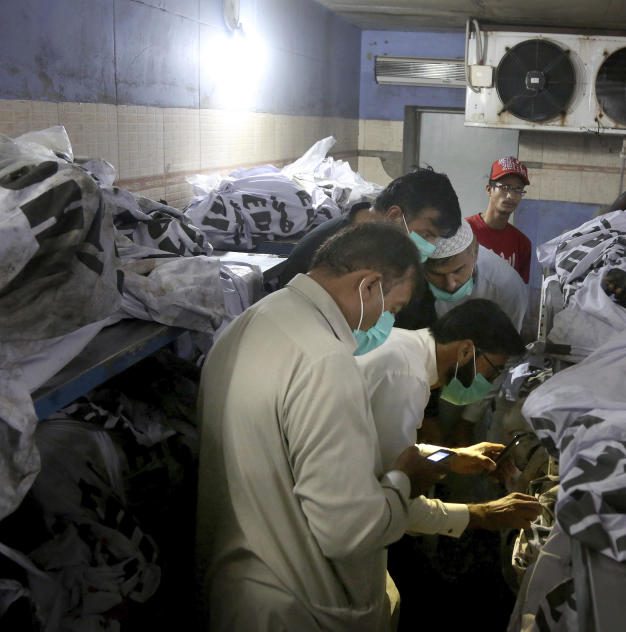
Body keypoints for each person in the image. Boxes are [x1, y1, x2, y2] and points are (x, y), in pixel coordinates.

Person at [196, 223, 449, 631]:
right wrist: (405, 479)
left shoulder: (249, 322)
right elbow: (347, 531)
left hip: (237, 590)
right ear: (369, 286)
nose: (381, 324)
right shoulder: (325, 360)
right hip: (297, 608)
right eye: (392, 309)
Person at [356, 299, 540, 538]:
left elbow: (402, 453)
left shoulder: (405, 348)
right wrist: (483, 514)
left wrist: (452, 457)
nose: (490, 381)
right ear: (466, 350)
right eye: (493, 370)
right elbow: (392, 495)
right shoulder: (407, 376)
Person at [274, 168, 463, 288]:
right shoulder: (326, 250)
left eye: (434, 238)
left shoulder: (388, 250)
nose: (429, 246)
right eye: (426, 234)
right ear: (395, 216)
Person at [424, 219, 527, 331]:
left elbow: (507, 343)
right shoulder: (411, 275)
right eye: (438, 275)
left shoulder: (507, 287)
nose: (450, 285)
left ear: (475, 253)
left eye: (458, 271)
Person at [466, 157, 533, 283]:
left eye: (518, 190)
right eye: (505, 187)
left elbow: (518, 293)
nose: (511, 196)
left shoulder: (522, 244)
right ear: (489, 189)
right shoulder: (464, 231)